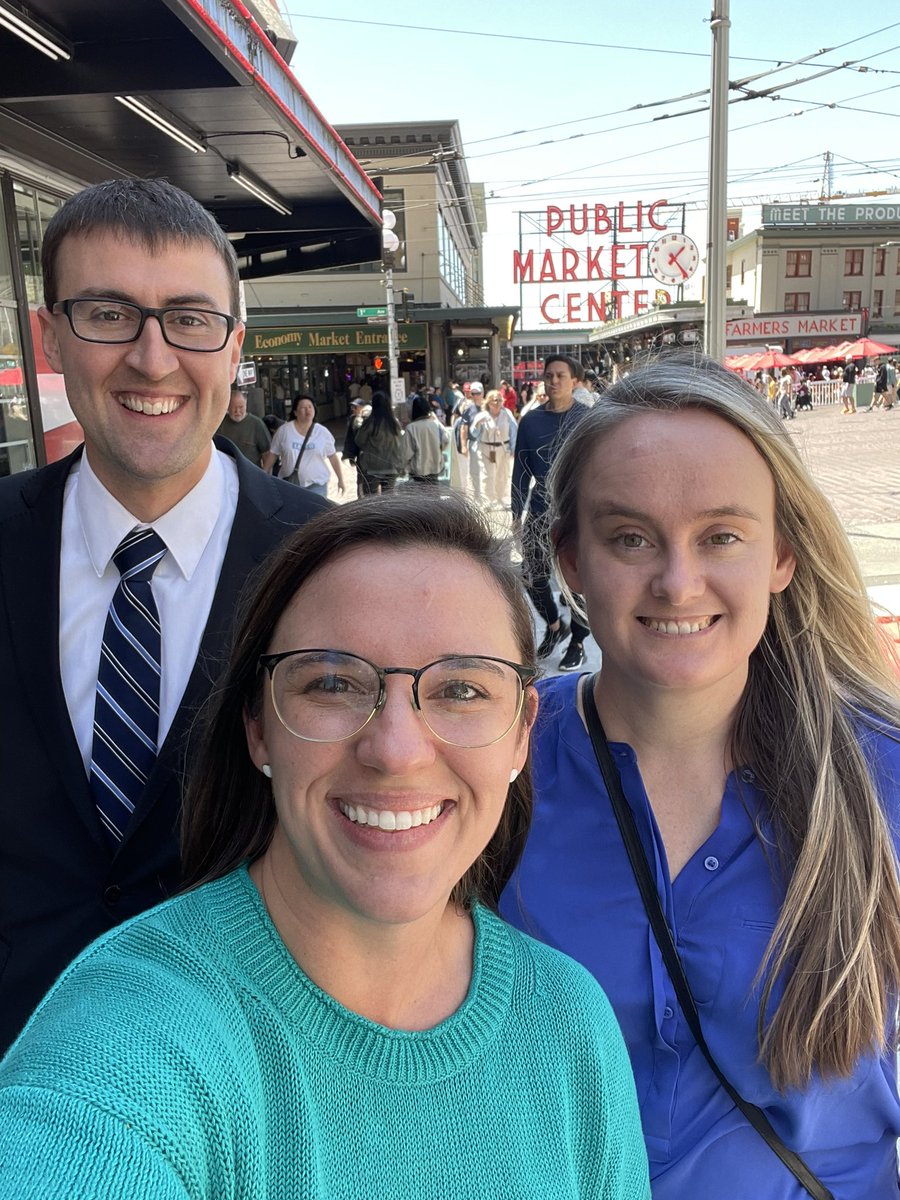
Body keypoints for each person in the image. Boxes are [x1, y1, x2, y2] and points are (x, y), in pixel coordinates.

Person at [0, 495, 651, 1200]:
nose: (397, 751)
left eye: (461, 689)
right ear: (258, 725)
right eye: (333, 682)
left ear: (522, 732)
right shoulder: (134, 1036)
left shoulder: (569, 1025)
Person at [501, 354, 900, 1199]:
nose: (678, 582)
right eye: (631, 538)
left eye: (720, 536)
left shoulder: (881, 778)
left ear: (782, 558)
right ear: (570, 563)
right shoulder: (493, 762)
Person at [0, 177, 328, 1055]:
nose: (153, 358)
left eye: (189, 319)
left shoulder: (334, 567)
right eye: (108, 313)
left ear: (233, 348)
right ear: (51, 337)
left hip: (251, 1084)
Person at [512, 354, 591, 672]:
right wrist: (516, 512)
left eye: (560, 375)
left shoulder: (587, 420)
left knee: (579, 582)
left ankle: (578, 641)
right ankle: (555, 626)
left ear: (575, 381)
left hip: (576, 514)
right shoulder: (530, 421)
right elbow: (521, 469)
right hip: (540, 509)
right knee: (532, 577)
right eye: (549, 375)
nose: (553, 381)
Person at [262, 394, 344, 499]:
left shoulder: (322, 432)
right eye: (303, 408)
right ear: (295, 412)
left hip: (316, 485)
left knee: (316, 515)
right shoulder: (284, 431)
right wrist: (263, 474)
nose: (308, 410)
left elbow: (332, 456)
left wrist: (340, 479)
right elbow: (273, 454)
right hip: (290, 485)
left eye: (310, 407)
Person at [353, 390, 410, 494]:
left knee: (372, 498)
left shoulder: (370, 422)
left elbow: (359, 441)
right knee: (388, 499)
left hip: (372, 467)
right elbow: (400, 444)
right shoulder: (394, 423)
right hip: (391, 466)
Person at [479, 388, 518, 508]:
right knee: (488, 475)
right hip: (487, 449)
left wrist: (513, 447)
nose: (497, 403)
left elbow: (513, 430)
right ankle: (489, 500)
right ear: (488, 402)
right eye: (494, 400)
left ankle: (500, 498)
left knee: (502, 474)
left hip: (503, 447)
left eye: (499, 400)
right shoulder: (483, 415)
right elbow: (474, 433)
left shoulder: (507, 413)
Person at [216, 384, 272, 465]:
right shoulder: (220, 423)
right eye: (234, 407)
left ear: (246, 405)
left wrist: (264, 474)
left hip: (251, 473)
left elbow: (267, 454)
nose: (237, 411)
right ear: (227, 407)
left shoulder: (256, 424)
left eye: (241, 407)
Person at [405, 392, 448, 484]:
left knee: (419, 497)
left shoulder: (411, 427)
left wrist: (401, 467)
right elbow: (446, 439)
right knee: (434, 495)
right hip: (435, 469)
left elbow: (406, 452)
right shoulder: (436, 424)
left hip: (417, 472)